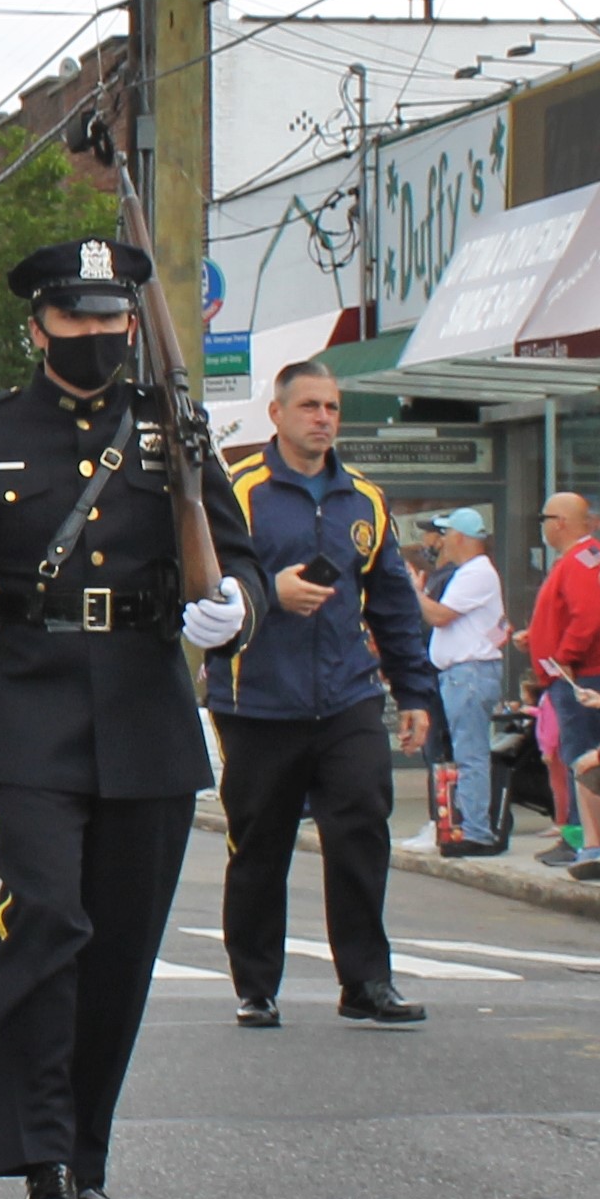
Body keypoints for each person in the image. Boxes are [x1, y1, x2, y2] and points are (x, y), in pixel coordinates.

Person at [0, 236, 267, 1199]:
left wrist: (234, 605)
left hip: (146, 707)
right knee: (46, 922)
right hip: (33, 707)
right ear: (38, 325)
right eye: (77, 319)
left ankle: (86, 1156)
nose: (98, 335)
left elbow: (235, 551)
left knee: (121, 953)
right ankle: (40, 1162)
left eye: (113, 319)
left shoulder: (172, 428)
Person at [210, 363, 436, 1030]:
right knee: (260, 844)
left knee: (362, 825)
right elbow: (205, 577)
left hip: (346, 696)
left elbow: (393, 599)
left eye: (332, 406)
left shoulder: (363, 497)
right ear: (276, 414)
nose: (323, 418)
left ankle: (367, 979)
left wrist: (415, 689)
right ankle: (256, 984)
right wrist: (267, 592)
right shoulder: (238, 490)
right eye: (309, 405)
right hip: (258, 699)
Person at [525, 492, 600, 876]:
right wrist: (539, 636)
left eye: (544, 517)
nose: (541, 524)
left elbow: (587, 618)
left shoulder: (582, 559)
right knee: (574, 749)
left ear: (561, 522)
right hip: (575, 671)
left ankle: (581, 837)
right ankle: (579, 835)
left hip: (582, 675)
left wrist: (563, 658)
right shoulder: (578, 559)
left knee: (578, 751)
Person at [418, 510, 512, 855]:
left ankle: (477, 831)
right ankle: (470, 826)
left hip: (469, 673)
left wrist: (414, 593)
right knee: (465, 751)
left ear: (460, 536)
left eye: (446, 534)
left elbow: (440, 616)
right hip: (463, 673)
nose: (441, 541)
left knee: (470, 753)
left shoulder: (476, 573)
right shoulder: (471, 573)